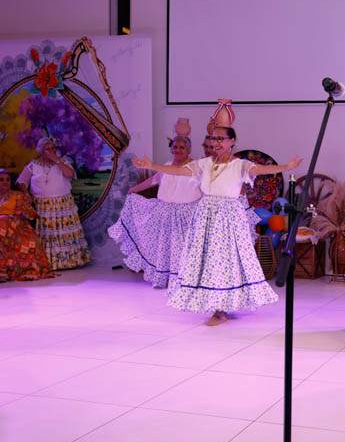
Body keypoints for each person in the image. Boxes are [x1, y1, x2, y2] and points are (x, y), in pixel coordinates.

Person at [132, 126, 303, 326]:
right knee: (207, 261)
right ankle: (216, 306)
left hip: (227, 217)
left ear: (232, 141)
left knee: (225, 260)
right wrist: (152, 165)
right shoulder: (204, 164)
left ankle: (222, 308)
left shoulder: (240, 165)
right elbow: (178, 171)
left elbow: (260, 170)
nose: (217, 143)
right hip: (206, 215)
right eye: (214, 139)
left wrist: (286, 167)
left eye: (222, 139)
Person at [108, 136, 201, 288]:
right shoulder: (167, 165)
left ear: (189, 149)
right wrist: (134, 189)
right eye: (175, 147)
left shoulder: (196, 167)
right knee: (165, 247)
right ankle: (164, 278)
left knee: (183, 247)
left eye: (182, 147)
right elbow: (153, 181)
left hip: (186, 214)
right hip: (165, 212)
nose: (178, 150)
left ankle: (184, 280)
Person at [17, 137, 91, 270]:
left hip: (63, 204)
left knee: (66, 232)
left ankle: (71, 261)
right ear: (41, 151)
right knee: (48, 234)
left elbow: (70, 174)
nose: (51, 151)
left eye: (53, 148)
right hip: (44, 206)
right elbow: (21, 181)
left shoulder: (62, 161)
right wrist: (27, 194)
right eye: (48, 149)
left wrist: (56, 160)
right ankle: (50, 262)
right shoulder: (33, 165)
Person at [0, 169, 54, 282]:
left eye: (8, 180)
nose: (5, 182)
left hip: (15, 226)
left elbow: (26, 213)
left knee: (3, 222)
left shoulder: (17, 195)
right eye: (1, 180)